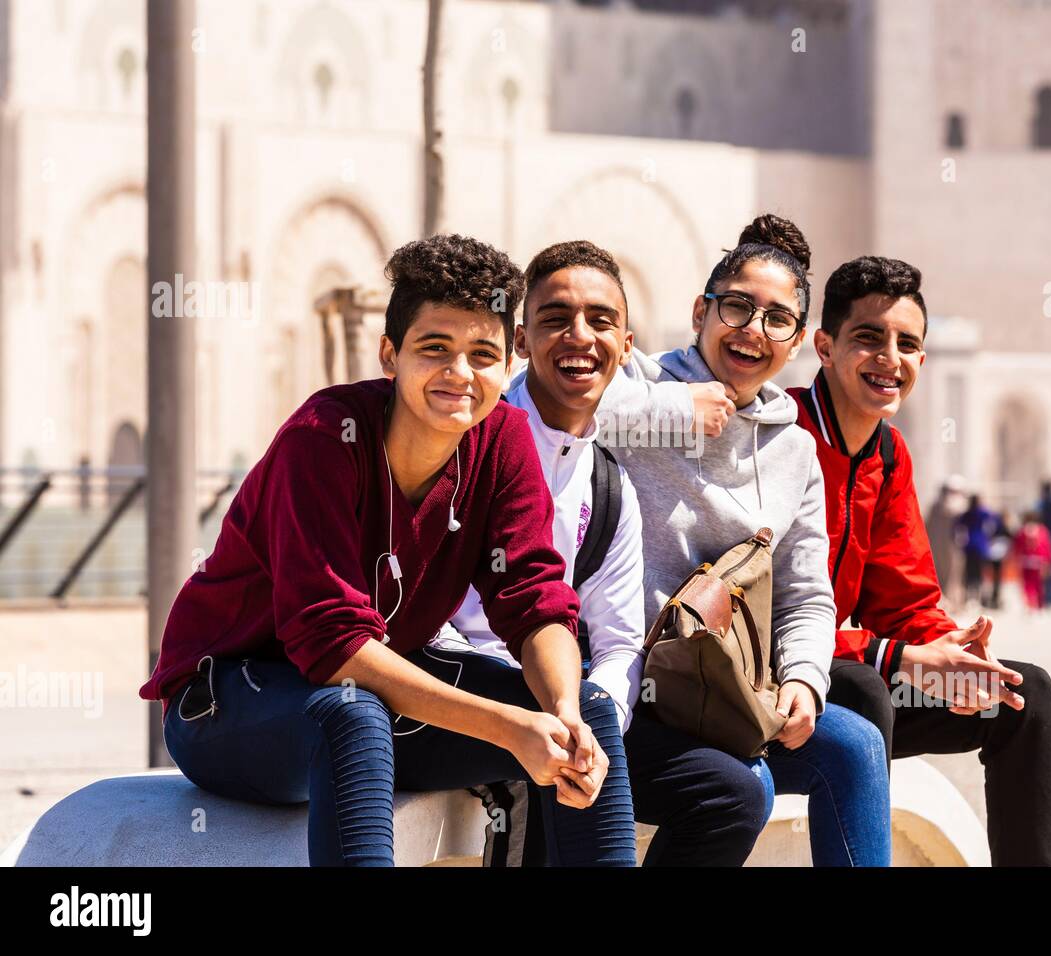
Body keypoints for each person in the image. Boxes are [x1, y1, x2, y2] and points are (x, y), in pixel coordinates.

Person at [140, 234, 638, 867]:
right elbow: (332, 645)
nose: (460, 374)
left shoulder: (504, 440)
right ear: (389, 355)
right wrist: (511, 729)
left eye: (482, 353)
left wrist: (560, 711)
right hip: (230, 704)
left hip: (373, 694)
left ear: (505, 363)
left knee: (589, 710)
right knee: (351, 714)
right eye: (435, 348)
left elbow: (534, 600)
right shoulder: (323, 438)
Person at [442, 240, 772, 866]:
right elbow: (429, 619)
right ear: (521, 340)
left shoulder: (607, 481)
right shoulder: (465, 446)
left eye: (600, 321)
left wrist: (597, 719)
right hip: (463, 697)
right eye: (555, 319)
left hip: (569, 704)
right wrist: (548, 705)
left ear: (626, 347)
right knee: (559, 746)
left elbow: (620, 641)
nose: (579, 337)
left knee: (731, 794)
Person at [599, 214, 892, 867]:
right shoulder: (637, 396)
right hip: (628, 689)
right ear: (701, 311)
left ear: (796, 345)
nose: (754, 330)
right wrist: (676, 411)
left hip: (728, 690)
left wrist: (805, 682)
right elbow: (553, 407)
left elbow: (808, 596)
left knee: (855, 743)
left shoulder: (794, 451)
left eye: (777, 319)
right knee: (744, 787)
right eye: (737, 307)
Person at [791, 253, 1051, 866]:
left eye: (907, 344)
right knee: (863, 688)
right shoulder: (779, 438)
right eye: (869, 338)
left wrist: (953, 654)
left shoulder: (888, 455)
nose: (890, 358)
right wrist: (900, 657)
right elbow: (765, 617)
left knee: (1025, 696)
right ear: (825, 347)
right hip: (770, 687)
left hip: (859, 674)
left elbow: (905, 601)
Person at [925, 475, 966, 606]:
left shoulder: (962, 506)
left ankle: (954, 600)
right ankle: (941, 599)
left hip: (955, 546)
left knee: (954, 573)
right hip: (936, 545)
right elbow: (928, 525)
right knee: (938, 572)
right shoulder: (935, 506)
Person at [954, 493, 998, 609]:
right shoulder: (982, 512)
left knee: (969, 573)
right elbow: (994, 518)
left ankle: (969, 598)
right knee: (980, 573)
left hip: (969, 546)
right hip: (980, 546)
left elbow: (956, 524)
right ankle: (979, 598)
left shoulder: (967, 514)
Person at [1014, 511, 1051, 611]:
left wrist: (1016, 559)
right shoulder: (1042, 530)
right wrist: (1049, 560)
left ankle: (1030, 603)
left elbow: (1017, 546)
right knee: (1039, 584)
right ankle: (1039, 605)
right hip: (1039, 560)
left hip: (1026, 560)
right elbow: (1046, 546)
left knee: (1028, 584)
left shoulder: (1022, 531)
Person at [986, 509, 1014, 610]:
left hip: (995, 555)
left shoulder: (995, 527)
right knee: (997, 578)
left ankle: (995, 597)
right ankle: (995, 598)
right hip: (999, 555)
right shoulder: (1003, 528)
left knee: (996, 578)